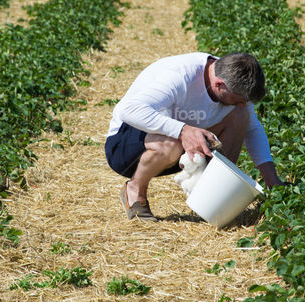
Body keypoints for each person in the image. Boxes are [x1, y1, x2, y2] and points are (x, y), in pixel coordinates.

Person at [105, 52, 285, 221]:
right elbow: (128, 111)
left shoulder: (234, 79)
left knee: (240, 115)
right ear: (219, 84)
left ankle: (210, 197)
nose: (241, 103)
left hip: (179, 148)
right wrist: (183, 131)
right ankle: (135, 191)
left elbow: (252, 130)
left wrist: (272, 180)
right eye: (238, 99)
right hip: (126, 144)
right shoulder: (180, 76)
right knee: (171, 143)